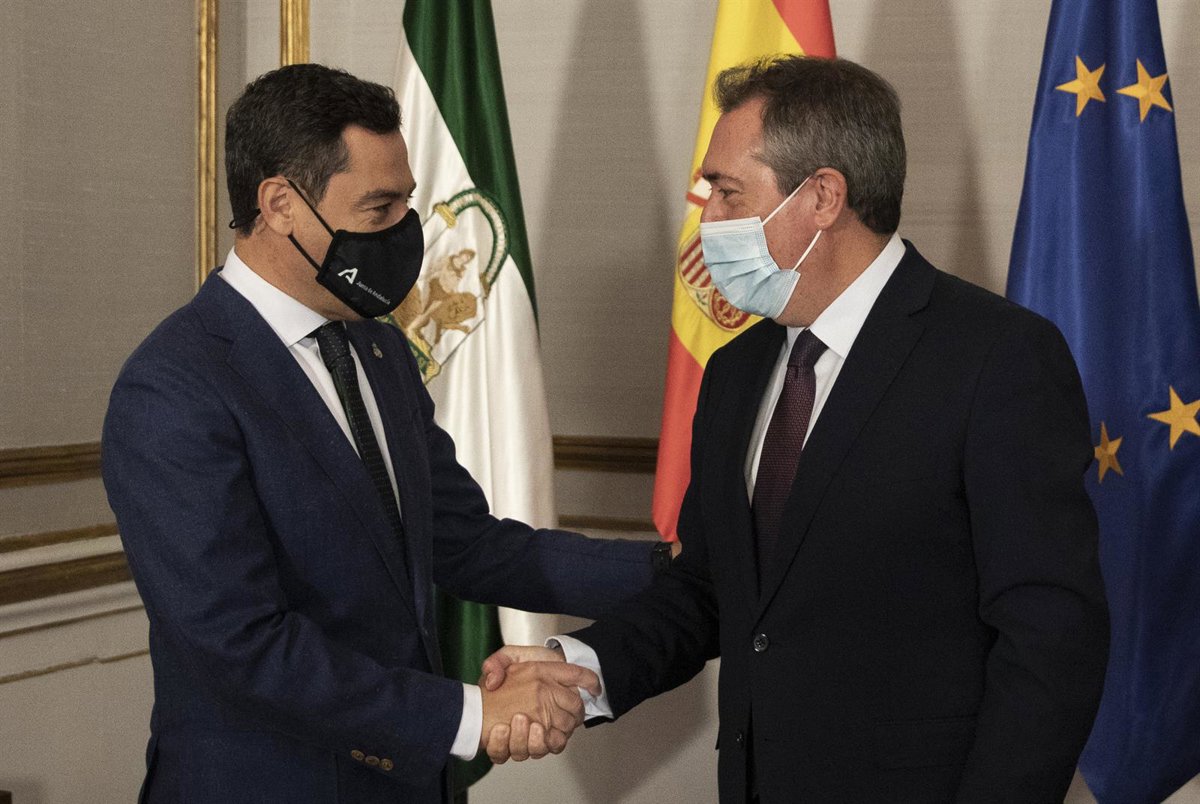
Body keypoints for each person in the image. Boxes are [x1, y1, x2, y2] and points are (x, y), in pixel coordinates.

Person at [481, 55, 1110, 802]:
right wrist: (578, 668)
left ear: (822, 197)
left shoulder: (996, 357)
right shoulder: (737, 369)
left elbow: (1050, 634)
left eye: (727, 191)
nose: (707, 219)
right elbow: (712, 587)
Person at [101, 64, 671, 804]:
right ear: (280, 204)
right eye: (381, 207)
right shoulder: (174, 385)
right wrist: (472, 715)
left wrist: (677, 568)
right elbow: (237, 643)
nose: (407, 229)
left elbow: (466, 544)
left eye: (407, 200)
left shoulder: (378, 347)